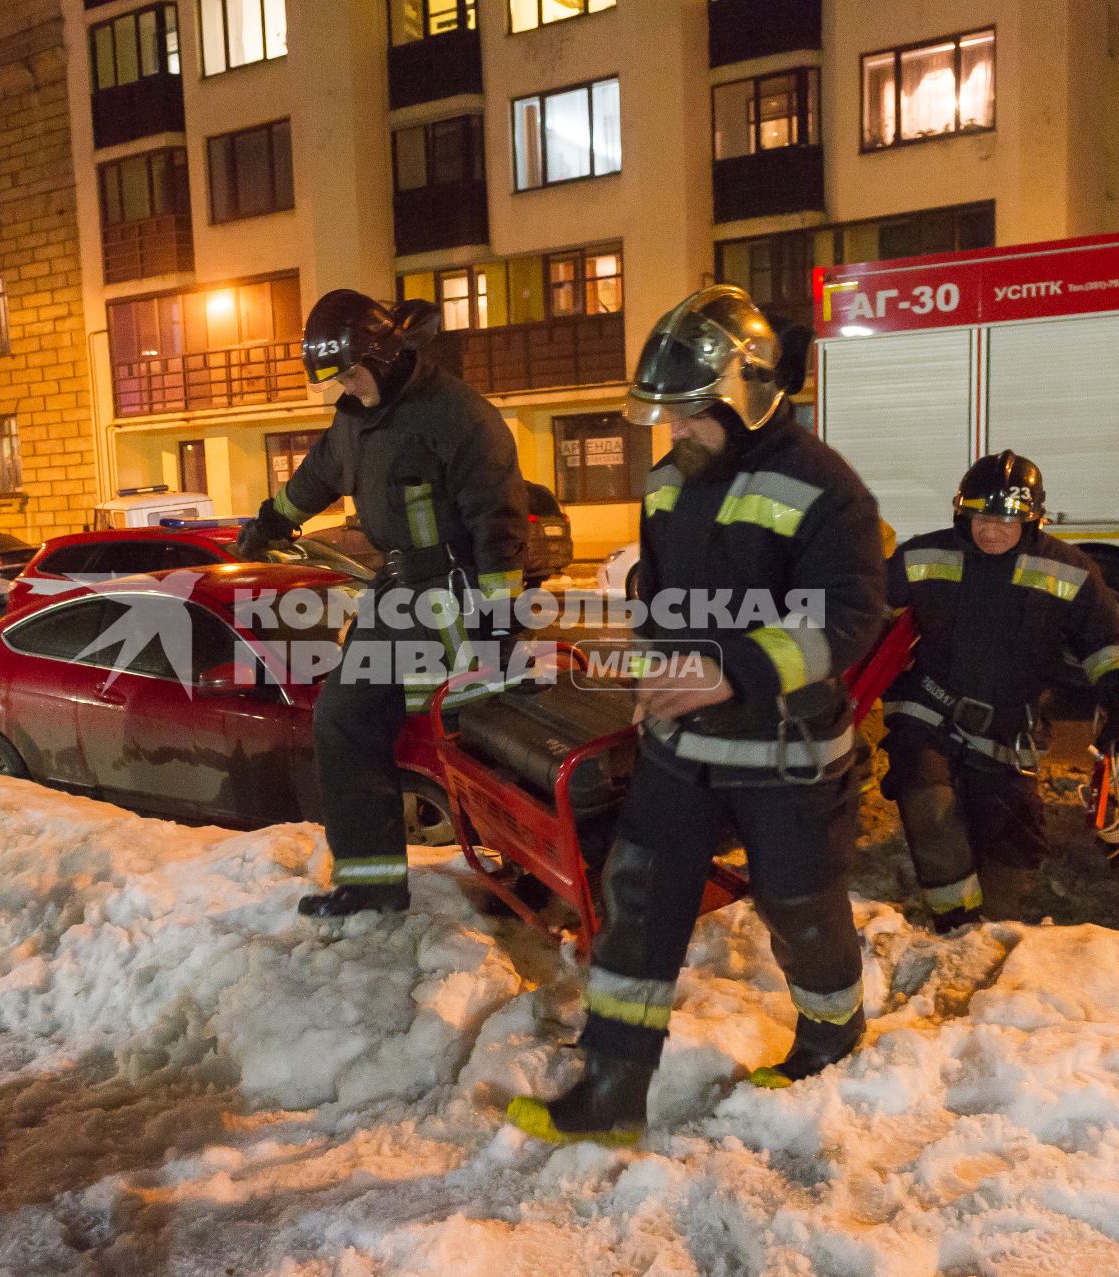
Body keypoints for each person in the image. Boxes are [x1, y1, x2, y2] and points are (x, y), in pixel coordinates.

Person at [507, 286, 886, 1145]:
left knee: (801, 906)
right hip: (682, 747)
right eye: (665, 418)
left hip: (787, 755)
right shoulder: (673, 479)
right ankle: (610, 1091)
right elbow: (663, 592)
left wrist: (729, 668)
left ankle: (831, 1037)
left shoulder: (828, 491)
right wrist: (653, 658)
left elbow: (847, 619)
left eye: (687, 415)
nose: (670, 434)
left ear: (746, 395)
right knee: (635, 902)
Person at [234, 289, 528, 919]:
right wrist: (271, 520)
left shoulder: (458, 417)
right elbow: (316, 476)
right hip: (398, 596)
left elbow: (498, 520)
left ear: (385, 353)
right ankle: (371, 884)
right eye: (336, 377)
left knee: (483, 739)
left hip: (458, 600)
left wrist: (499, 619)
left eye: (350, 371)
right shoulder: (354, 419)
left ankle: (532, 870)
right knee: (344, 719)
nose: (345, 384)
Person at [881, 452, 1119, 930]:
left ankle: (997, 923)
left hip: (1009, 725)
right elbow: (860, 611)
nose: (992, 530)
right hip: (926, 707)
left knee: (1016, 844)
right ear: (961, 514)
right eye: (981, 517)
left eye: (1007, 519)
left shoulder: (1069, 569)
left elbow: (1106, 646)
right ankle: (954, 924)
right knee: (927, 799)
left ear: (1033, 520)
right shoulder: (922, 556)